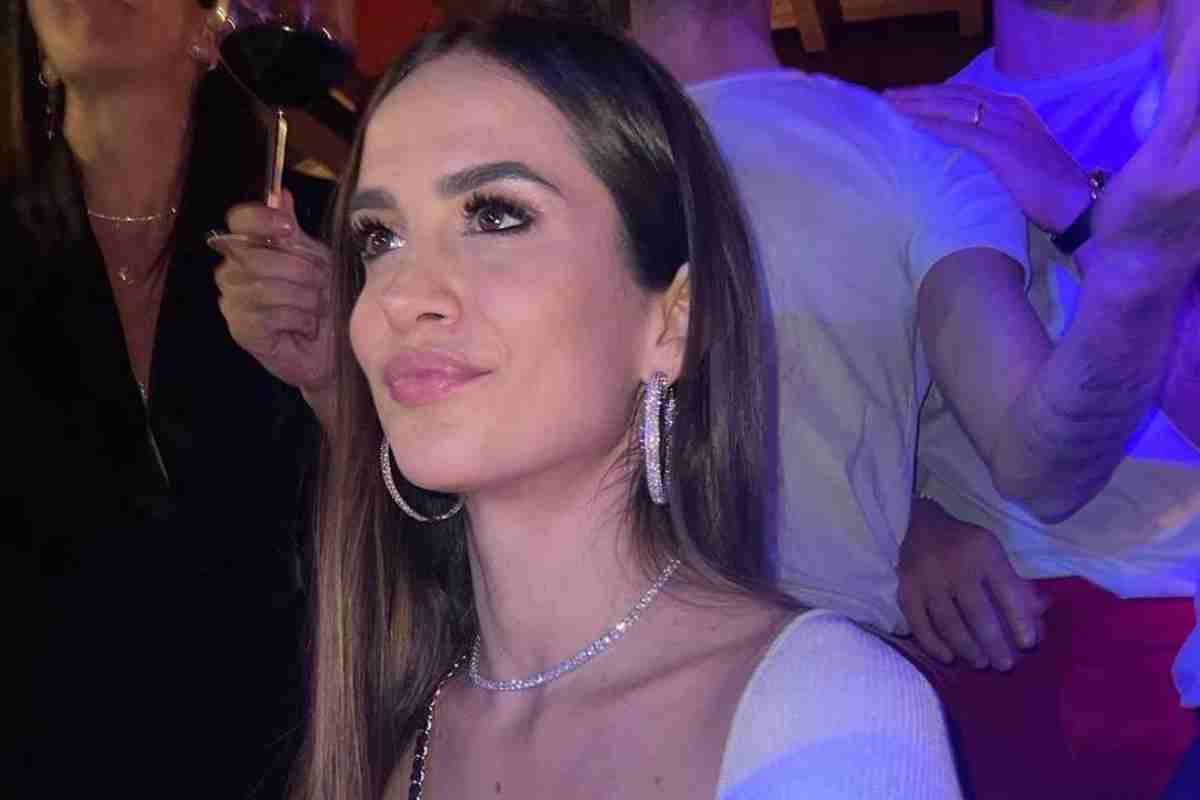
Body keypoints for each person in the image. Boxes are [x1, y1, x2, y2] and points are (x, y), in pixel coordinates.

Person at [290, 14, 962, 800]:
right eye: (379, 237)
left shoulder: (827, 714)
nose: (401, 296)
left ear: (672, 321)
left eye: (495, 214)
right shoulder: (385, 728)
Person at [2, 1, 329, 796]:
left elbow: (406, 516)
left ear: (210, 30)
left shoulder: (310, 241)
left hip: (277, 755)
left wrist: (333, 378)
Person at [885, 1, 1200, 796]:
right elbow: (833, 424)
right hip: (1004, 645)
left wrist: (1080, 209)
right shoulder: (908, 132)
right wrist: (905, 522)